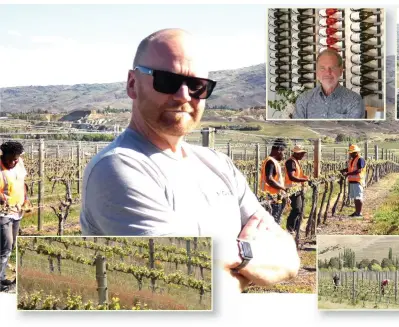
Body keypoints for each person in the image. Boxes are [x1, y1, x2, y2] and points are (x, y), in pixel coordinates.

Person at [80, 29, 300, 292]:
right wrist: (250, 262)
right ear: (131, 84)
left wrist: (230, 257)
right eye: (166, 80)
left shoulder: (219, 164)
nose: (184, 96)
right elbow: (182, 286)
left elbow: (289, 258)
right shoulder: (119, 168)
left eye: (197, 86)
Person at [294, 49, 365, 119]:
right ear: (317, 72)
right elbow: (298, 129)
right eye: (322, 68)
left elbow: (353, 130)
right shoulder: (303, 100)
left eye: (333, 68)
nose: (328, 72)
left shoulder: (354, 101)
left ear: (340, 71)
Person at [0, 141, 30, 291]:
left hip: (18, 212)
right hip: (3, 213)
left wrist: (26, 200)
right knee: (5, 246)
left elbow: (22, 183)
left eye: (15, 159)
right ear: (3, 155)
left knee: (10, 246)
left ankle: (2, 277)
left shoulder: (19, 164)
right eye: (10, 159)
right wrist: (2, 198)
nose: (12, 162)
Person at [259, 138, 288, 225]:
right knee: (273, 224)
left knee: (274, 222)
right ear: (279, 150)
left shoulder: (272, 161)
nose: (284, 155)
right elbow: (270, 179)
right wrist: (283, 188)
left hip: (274, 197)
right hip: (271, 198)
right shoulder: (270, 162)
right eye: (284, 152)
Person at [284, 145, 309, 233]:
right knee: (297, 209)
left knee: (300, 208)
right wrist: (305, 179)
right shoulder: (291, 162)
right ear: (297, 153)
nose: (303, 155)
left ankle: (296, 227)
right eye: (302, 153)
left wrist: (304, 178)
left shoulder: (295, 161)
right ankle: (290, 228)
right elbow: (292, 177)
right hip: (292, 189)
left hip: (296, 188)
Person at [340, 144, 366, 217]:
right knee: (355, 197)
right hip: (352, 180)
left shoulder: (360, 159)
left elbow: (359, 170)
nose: (350, 154)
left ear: (356, 152)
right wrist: (343, 170)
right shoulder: (352, 160)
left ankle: (359, 213)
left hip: (358, 180)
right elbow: (350, 169)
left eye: (352, 152)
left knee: (358, 197)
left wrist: (348, 173)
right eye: (350, 152)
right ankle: (356, 212)